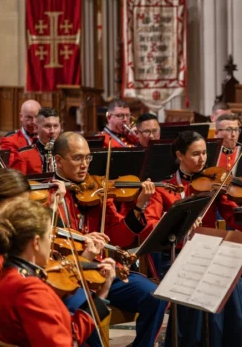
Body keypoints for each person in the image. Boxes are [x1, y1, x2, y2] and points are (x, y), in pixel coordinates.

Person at [143, 130, 242, 347]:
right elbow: (152, 228)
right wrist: (181, 227)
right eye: (196, 154)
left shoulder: (213, 184)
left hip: (209, 253)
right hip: (175, 256)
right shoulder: (163, 190)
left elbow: (234, 217)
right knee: (206, 287)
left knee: (237, 285)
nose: (203, 159)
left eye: (204, 153)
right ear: (180, 155)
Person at [51, 131, 167, 347]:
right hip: (70, 279)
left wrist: (140, 205)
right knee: (88, 310)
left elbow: (119, 238)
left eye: (88, 157)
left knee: (156, 295)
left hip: (104, 272)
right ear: (58, 160)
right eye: (77, 158)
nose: (85, 164)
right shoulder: (48, 194)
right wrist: (81, 239)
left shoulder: (99, 190)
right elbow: (48, 241)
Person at [0, 199, 115, 347]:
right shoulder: (30, 290)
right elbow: (68, 342)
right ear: (36, 242)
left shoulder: (5, 275)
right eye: (49, 236)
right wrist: (101, 296)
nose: (51, 243)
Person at [0, 169, 33, 335]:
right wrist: (24, 322)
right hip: (0, 327)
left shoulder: (10, 233)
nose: (21, 216)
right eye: (16, 207)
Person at [12, 107, 61, 174]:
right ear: (36, 128)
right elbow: (16, 183)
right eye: (47, 126)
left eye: (56, 126)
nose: (52, 131)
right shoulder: (23, 156)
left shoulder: (66, 153)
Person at [0, 99, 41, 165]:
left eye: (37, 117)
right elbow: (11, 165)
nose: (34, 121)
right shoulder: (9, 140)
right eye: (29, 117)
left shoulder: (47, 136)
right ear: (21, 117)